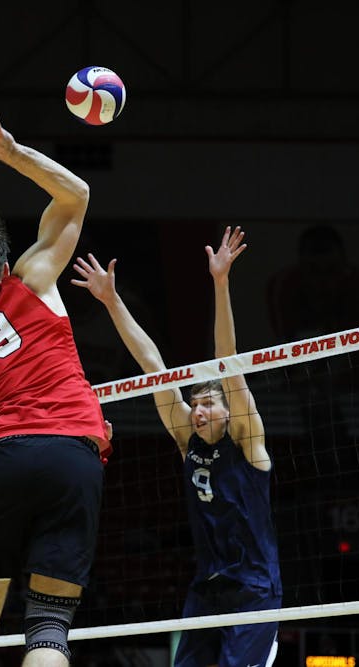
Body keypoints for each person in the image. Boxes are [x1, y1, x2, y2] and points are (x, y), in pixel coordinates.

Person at [0, 109, 112, 667]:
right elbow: (77, 194)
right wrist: (10, 152)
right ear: (5, 263)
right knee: (48, 629)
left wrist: (9, 481)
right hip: (75, 454)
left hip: (7, 457)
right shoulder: (33, 280)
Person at [71, 226, 281, 667]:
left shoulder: (246, 439)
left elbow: (229, 359)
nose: (198, 411)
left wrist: (220, 283)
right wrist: (112, 301)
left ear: (228, 410)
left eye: (207, 404)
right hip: (206, 586)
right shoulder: (187, 439)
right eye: (195, 404)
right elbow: (152, 365)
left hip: (254, 588)